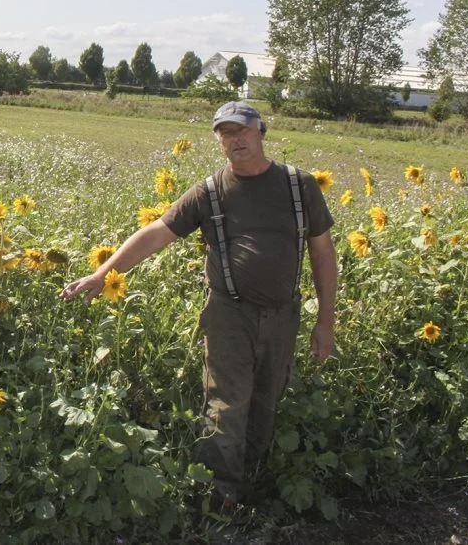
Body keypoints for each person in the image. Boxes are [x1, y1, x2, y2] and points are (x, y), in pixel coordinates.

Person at [61, 101, 337, 508]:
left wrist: (325, 321)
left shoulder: (300, 186)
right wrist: (103, 274)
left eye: (241, 130)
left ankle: (253, 486)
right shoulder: (210, 192)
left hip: (283, 316)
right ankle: (217, 500)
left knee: (266, 401)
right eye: (225, 132)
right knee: (226, 405)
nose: (234, 138)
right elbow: (156, 232)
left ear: (261, 132)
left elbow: (323, 253)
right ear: (218, 141)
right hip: (229, 314)